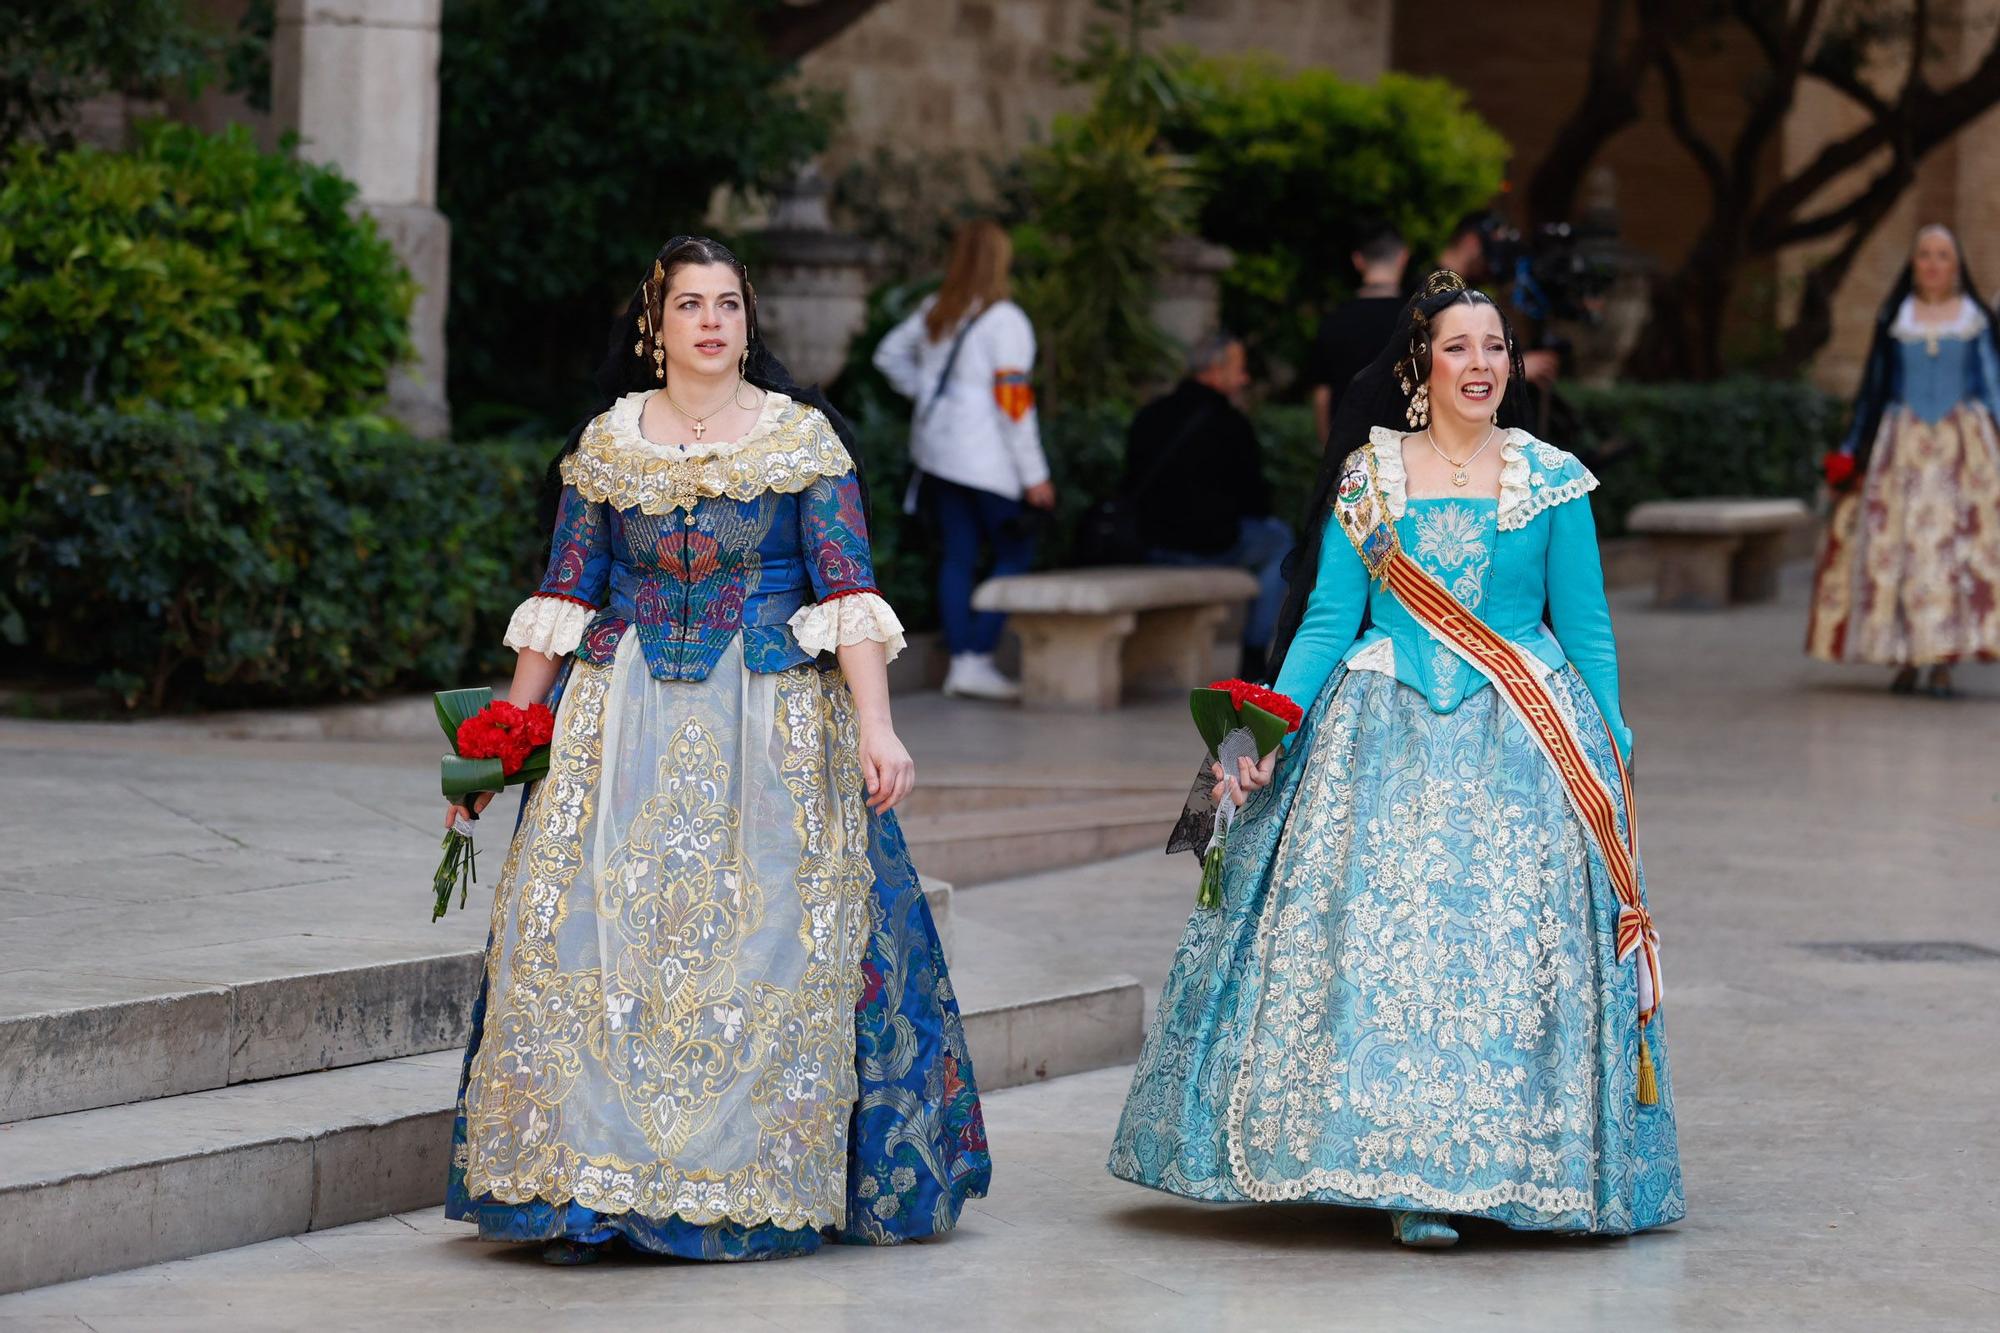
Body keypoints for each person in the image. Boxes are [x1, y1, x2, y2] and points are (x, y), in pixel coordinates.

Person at [443, 236, 990, 1265]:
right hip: (618, 726)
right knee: (593, 941)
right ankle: (587, 1184)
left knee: (763, 943)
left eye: (728, 304)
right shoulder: (607, 444)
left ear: (747, 322)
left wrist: (877, 723)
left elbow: (847, 593)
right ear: (654, 328)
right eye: (689, 304)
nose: (710, 322)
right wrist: (503, 742)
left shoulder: (800, 440)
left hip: (770, 721)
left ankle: (734, 1180)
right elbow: (563, 595)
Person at [1108, 271, 1683, 1249]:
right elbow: (1329, 619)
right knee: (1390, 956)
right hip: (1380, 736)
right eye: (1459, 346)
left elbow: (1585, 637)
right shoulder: (1368, 477)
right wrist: (1265, 728)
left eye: (1495, 347)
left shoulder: (1550, 478)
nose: (1480, 365)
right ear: (1419, 362)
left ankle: (1508, 1167)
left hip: (1522, 742)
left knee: (1503, 962)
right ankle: (1398, 1171)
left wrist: (1610, 754)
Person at [1807, 224, 2000, 696]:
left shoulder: (1974, 319)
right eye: (1925, 255)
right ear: (1913, 264)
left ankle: (1941, 660)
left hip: (1962, 454)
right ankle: (1906, 656)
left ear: (1956, 266)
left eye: (1942, 256)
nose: (1933, 264)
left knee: (1952, 554)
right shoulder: (1896, 318)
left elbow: (1995, 389)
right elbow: (1872, 393)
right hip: (1902, 451)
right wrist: (1850, 453)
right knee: (1902, 554)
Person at [875, 220, 1055, 701]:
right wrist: (1035, 476)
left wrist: (933, 394)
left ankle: (963, 663)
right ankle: (976, 655)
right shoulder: (1006, 320)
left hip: (938, 454)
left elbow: (888, 355)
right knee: (1015, 554)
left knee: (957, 556)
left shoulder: (938, 309)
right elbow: (1015, 406)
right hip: (988, 461)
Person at [1127, 333, 1292, 676]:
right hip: (1209, 546)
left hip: (1151, 543)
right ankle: (1253, 653)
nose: (1245, 378)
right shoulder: (1231, 424)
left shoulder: (1149, 415)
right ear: (1216, 371)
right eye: (1240, 369)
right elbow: (1256, 503)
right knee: (1279, 539)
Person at [1307, 224, 1411, 442]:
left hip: (1348, 447)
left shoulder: (1333, 320)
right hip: (1407, 448)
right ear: (1403, 257)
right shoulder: (1416, 320)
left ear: (1358, 260)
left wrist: (1329, 451)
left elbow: (1321, 396)